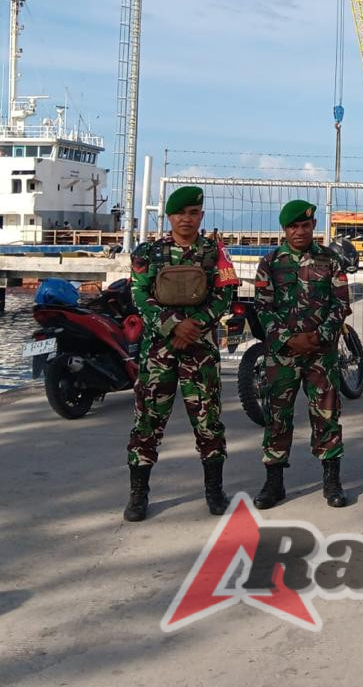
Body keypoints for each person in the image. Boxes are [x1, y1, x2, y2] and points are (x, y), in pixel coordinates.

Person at [123, 186, 239, 522]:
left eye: (192, 213)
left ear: (201, 215)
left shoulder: (215, 252)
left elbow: (225, 295)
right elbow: (140, 296)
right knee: (148, 422)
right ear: (169, 217)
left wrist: (196, 325)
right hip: (158, 350)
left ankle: (214, 491)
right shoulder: (148, 252)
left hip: (199, 350)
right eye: (179, 214)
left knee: (208, 422)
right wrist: (172, 325)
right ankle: (138, 494)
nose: (185, 219)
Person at [252, 199, 352, 510]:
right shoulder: (269, 263)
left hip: (320, 354)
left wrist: (318, 337)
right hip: (282, 355)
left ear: (313, 227)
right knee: (277, 417)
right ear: (284, 229)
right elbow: (263, 308)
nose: (300, 231)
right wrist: (288, 339)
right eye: (293, 226)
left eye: (305, 225)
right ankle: (274, 482)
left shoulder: (331, 262)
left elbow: (340, 305)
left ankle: (331, 481)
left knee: (326, 415)